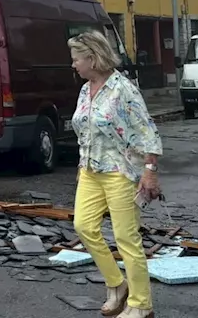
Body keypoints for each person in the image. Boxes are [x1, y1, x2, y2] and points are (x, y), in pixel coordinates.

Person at [69, 31, 163, 318]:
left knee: (126, 237)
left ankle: (141, 303)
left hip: (121, 172)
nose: (73, 65)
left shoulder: (124, 90)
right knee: (83, 226)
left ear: (92, 58)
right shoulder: (86, 89)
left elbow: (148, 132)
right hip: (90, 170)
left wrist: (149, 172)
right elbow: (84, 130)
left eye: (76, 59)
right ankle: (116, 284)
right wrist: (81, 163)